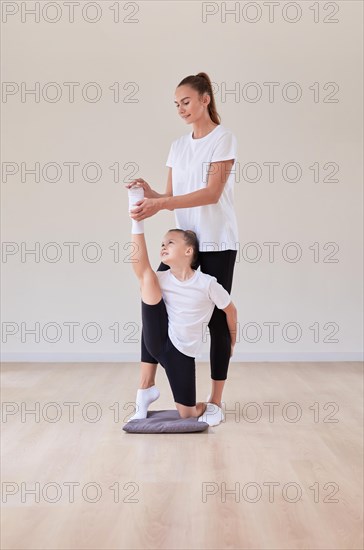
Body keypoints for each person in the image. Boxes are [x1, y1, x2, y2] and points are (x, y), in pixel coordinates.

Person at [126, 72, 239, 423]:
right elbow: (172, 199)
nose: (181, 109)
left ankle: (216, 400)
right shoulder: (177, 146)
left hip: (217, 241)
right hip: (185, 241)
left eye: (186, 101)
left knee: (218, 321)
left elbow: (211, 194)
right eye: (176, 104)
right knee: (153, 305)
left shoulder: (224, 139)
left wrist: (162, 204)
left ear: (205, 99)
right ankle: (146, 386)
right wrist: (153, 196)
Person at [127, 184, 237, 426]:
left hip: (181, 353)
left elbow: (230, 310)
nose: (163, 246)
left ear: (189, 251)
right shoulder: (161, 279)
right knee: (146, 279)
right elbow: (140, 267)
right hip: (159, 340)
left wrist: (232, 338)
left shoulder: (207, 283)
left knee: (187, 414)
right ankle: (144, 392)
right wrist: (137, 220)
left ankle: (209, 404)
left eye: (170, 242)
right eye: (163, 243)